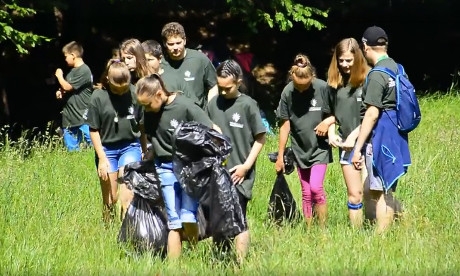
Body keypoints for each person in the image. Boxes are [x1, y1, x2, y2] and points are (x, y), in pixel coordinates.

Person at [136, 74, 221, 259]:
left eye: (147, 104)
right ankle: (174, 267)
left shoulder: (185, 106)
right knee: (173, 221)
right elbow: (154, 138)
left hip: (189, 168)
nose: (145, 109)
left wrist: (218, 154)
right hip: (164, 167)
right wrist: (147, 157)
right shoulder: (149, 111)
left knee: (188, 216)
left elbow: (211, 129)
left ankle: (192, 252)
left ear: (159, 94)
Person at [206, 59, 266, 263]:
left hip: (239, 173)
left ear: (239, 81)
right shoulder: (213, 104)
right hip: (216, 173)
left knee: (238, 218)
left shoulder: (248, 105)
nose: (223, 92)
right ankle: (220, 259)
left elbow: (261, 138)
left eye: (227, 88)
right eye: (219, 87)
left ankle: (239, 263)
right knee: (218, 219)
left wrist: (246, 167)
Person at [351, 26, 410, 234]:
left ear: (365, 46)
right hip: (397, 133)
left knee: (382, 190)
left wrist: (357, 148)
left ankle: (380, 240)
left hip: (382, 136)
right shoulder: (396, 67)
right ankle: (404, 222)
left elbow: (372, 114)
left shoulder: (376, 75)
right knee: (372, 189)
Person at [275, 54, 333, 229]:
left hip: (319, 148)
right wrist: (280, 156)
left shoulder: (323, 88)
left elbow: (339, 112)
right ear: (291, 76)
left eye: (305, 86)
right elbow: (285, 126)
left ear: (312, 77)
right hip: (300, 148)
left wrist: (327, 121)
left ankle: (322, 230)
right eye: (297, 86)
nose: (301, 90)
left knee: (316, 188)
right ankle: (309, 230)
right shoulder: (287, 92)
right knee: (306, 193)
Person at [86, 60, 143, 223]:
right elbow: (93, 129)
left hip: (130, 146)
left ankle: (127, 234)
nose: (121, 92)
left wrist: (144, 149)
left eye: (124, 88)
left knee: (127, 197)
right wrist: (102, 159)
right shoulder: (98, 97)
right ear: (108, 80)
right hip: (106, 150)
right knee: (110, 199)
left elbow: (142, 125)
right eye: (117, 89)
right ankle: (107, 231)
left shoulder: (135, 93)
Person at [324, 38, 370, 228]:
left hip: (369, 142)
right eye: (341, 60)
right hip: (346, 146)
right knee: (354, 193)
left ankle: (384, 225)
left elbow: (372, 115)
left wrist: (354, 136)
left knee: (370, 192)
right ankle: (356, 235)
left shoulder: (368, 80)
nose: (344, 65)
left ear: (358, 58)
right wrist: (331, 133)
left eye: (349, 60)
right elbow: (331, 114)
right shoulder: (334, 85)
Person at [160, 22, 218, 109]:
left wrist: (209, 107)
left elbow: (214, 85)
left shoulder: (200, 59)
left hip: (197, 115)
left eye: (178, 43)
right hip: (170, 115)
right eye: (171, 44)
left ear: (185, 40)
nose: (175, 47)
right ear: (165, 43)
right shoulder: (160, 63)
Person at [55, 41, 93, 151]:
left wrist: (59, 76)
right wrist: (60, 91)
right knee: (72, 149)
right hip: (69, 116)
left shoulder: (84, 70)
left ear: (73, 55)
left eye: (66, 56)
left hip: (82, 115)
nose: (65, 59)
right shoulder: (72, 72)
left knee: (92, 142)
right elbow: (66, 88)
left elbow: (68, 86)